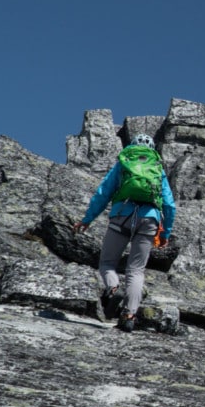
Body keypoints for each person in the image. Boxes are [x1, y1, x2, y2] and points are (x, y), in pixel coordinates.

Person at [72, 133, 176, 332]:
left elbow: (103, 192)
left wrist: (87, 220)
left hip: (122, 215)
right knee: (136, 270)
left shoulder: (123, 162)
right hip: (149, 219)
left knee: (107, 263)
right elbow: (170, 205)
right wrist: (165, 234)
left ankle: (113, 288)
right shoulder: (157, 167)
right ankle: (129, 316)